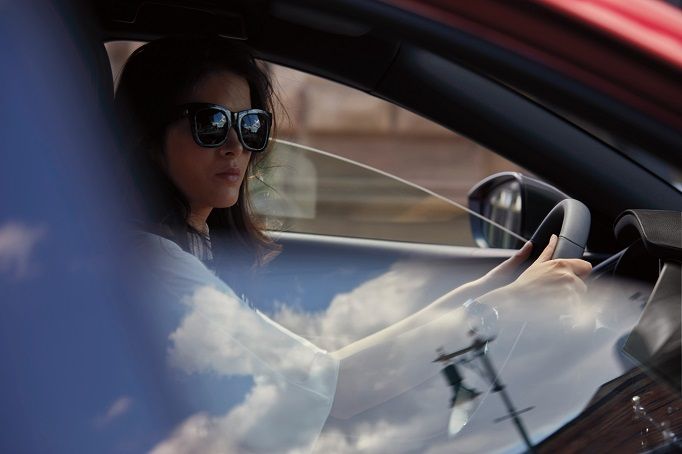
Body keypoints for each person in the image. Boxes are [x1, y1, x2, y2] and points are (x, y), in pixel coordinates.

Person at [115, 35, 592, 452]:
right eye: (212, 123)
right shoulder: (154, 265)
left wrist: (487, 289)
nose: (236, 145)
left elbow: (321, 372)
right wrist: (503, 311)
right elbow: (338, 387)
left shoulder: (188, 251)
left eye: (251, 125)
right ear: (149, 135)